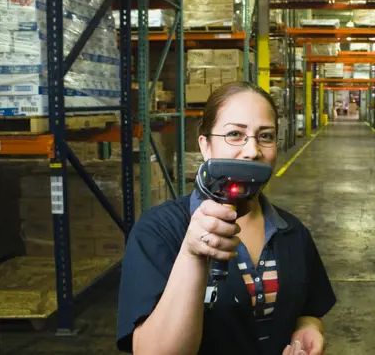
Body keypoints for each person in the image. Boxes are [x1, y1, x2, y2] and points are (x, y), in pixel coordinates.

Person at [116, 81, 336, 355]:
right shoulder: (159, 231)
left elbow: (308, 309)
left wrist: (309, 328)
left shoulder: (291, 231)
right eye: (234, 134)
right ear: (205, 146)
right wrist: (193, 254)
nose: (252, 150)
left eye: (265, 136)